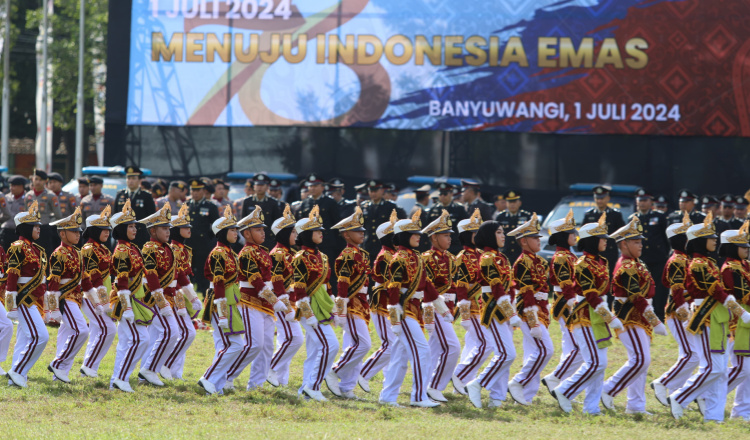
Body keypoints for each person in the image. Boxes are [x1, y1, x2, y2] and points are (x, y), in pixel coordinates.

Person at [668, 213, 750, 421]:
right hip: (705, 317)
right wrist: (742, 313)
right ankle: (679, 397)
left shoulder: (709, 263)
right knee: (712, 367)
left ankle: (714, 416)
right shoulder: (697, 264)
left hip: (718, 317)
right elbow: (716, 290)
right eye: (710, 237)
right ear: (699, 241)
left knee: (721, 372)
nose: (715, 240)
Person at [552, 213, 624, 415]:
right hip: (584, 316)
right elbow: (591, 295)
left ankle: (591, 406)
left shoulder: (602, 262)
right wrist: (611, 318)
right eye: (601, 239)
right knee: (595, 362)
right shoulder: (582, 264)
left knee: (601, 364)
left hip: (598, 316)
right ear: (592, 241)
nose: (605, 242)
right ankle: (564, 391)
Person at [600, 217, 667, 414]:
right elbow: (636, 297)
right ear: (623, 244)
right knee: (640, 359)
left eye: (640, 241)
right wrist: (656, 322)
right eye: (636, 242)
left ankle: (636, 406)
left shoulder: (635, 262)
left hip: (640, 316)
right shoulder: (627, 266)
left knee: (641, 363)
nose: (640, 245)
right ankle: (608, 389)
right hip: (630, 316)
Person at [380, 209, 439, 408]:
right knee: (423, 351)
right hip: (404, 311)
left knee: (399, 356)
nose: (418, 237)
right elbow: (393, 289)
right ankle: (419, 396)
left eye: (418, 234)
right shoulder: (399, 258)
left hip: (415, 309)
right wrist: (395, 319)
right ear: (404, 236)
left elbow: (427, 284)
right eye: (414, 234)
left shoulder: (417, 257)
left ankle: (388, 397)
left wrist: (442, 307)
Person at [225, 206, 288, 391]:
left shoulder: (262, 251)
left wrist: (275, 299)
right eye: (258, 230)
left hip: (265, 304)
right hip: (250, 300)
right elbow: (255, 279)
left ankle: (256, 384)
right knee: (254, 344)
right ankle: (227, 375)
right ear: (247, 233)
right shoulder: (246, 252)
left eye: (263, 229)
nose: (263, 233)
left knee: (267, 346)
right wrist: (275, 300)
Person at [465, 221, 520, 409]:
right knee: (507, 354)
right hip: (494, 309)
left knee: (503, 354)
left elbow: (508, 287)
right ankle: (477, 384)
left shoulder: (501, 257)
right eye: (498, 232)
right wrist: (510, 312)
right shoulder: (487, 257)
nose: (503, 235)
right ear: (489, 235)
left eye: (503, 232)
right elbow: (496, 287)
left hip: (504, 308)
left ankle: (497, 398)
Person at [292, 206, 340, 401]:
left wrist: (333, 308)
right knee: (331, 345)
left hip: (323, 307)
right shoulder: (300, 258)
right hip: (309, 308)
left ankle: (306, 388)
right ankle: (313, 386)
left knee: (314, 351)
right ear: (305, 234)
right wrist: (308, 313)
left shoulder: (324, 257)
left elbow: (327, 286)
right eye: (316, 231)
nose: (321, 233)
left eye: (321, 230)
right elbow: (299, 289)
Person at [507, 213, 554, 406]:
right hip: (528, 312)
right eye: (534, 238)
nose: (538, 241)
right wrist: (533, 321)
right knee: (546, 350)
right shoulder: (522, 262)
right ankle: (517, 382)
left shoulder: (540, 261)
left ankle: (527, 395)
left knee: (533, 353)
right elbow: (526, 294)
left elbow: (543, 289)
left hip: (541, 310)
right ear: (524, 241)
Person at [326, 206, 373, 399]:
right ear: (346, 235)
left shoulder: (363, 254)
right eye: (357, 231)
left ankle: (347, 387)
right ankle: (334, 371)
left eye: (362, 230)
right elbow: (343, 284)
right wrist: (342, 310)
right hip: (351, 304)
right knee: (363, 345)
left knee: (355, 346)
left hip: (362, 303)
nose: (362, 234)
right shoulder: (346, 255)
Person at [651, 213, 696, 406]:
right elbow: (676, 290)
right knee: (692, 355)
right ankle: (662, 383)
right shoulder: (678, 260)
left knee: (687, 354)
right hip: (678, 313)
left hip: (683, 312)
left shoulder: (683, 258)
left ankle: (678, 391)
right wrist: (686, 316)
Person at [108, 200, 154, 392]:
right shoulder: (121, 251)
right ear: (120, 229)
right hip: (127, 302)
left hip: (136, 300)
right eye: (130, 226)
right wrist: (127, 307)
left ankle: (117, 380)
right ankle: (120, 378)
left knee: (127, 342)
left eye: (135, 226)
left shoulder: (132, 248)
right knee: (140, 340)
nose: (134, 229)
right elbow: (123, 281)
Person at [198, 205, 244, 395]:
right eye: (232, 230)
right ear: (223, 233)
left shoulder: (230, 253)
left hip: (230, 300)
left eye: (235, 229)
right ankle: (208, 377)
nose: (236, 233)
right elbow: (218, 282)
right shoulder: (218, 253)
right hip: (221, 302)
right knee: (236, 345)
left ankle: (215, 384)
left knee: (226, 345)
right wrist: (223, 312)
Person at [4, 201, 49, 388]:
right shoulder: (17, 247)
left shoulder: (38, 249)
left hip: (35, 299)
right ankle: (17, 371)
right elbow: (12, 276)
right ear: (25, 228)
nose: (38, 228)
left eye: (38, 225)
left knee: (25, 338)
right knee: (41, 337)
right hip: (23, 299)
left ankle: (16, 374)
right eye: (34, 226)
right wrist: (11, 303)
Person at [420, 209, 461, 403]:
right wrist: (428, 314)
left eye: (450, 235)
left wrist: (455, 309)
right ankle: (435, 386)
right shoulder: (426, 258)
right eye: (445, 236)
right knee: (453, 347)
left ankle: (424, 385)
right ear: (434, 238)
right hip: (435, 307)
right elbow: (426, 288)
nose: (449, 239)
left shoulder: (451, 258)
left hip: (447, 308)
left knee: (434, 350)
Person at [137, 204, 179, 387]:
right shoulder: (149, 248)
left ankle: (147, 372)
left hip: (168, 295)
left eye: (168, 228)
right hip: (154, 297)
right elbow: (151, 274)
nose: (168, 231)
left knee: (164, 335)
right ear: (152, 230)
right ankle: (149, 369)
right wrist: (161, 301)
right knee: (171, 332)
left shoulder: (167, 247)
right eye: (163, 228)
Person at [541, 210, 583, 395]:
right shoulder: (561, 257)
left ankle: (563, 387)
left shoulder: (568, 255)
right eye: (571, 233)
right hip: (566, 304)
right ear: (563, 237)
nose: (575, 235)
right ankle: (555, 379)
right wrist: (573, 301)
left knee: (570, 346)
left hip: (568, 302)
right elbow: (566, 283)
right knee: (576, 346)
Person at [46, 206, 89, 383]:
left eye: (79, 231)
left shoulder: (77, 253)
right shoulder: (59, 253)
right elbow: (53, 282)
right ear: (63, 234)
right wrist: (54, 307)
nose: (78, 234)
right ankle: (58, 363)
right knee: (82, 331)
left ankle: (61, 372)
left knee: (67, 334)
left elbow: (85, 278)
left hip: (76, 298)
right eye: (73, 231)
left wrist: (95, 299)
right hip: (65, 299)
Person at [358, 210, 398, 394]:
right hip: (382, 303)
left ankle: (388, 380)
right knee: (390, 345)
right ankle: (362, 373)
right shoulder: (386, 256)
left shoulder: (394, 254)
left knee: (395, 345)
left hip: (390, 303)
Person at [161, 204, 202, 380]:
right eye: (184, 227)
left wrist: (192, 297)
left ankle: (175, 372)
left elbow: (183, 275)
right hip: (170, 295)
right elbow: (176, 277)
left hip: (179, 294)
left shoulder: (183, 249)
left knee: (182, 333)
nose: (188, 230)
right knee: (186, 333)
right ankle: (166, 366)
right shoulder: (174, 249)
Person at [267, 205, 304, 388]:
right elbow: (276, 280)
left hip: (291, 299)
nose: (296, 235)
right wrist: (284, 302)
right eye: (292, 232)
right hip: (280, 300)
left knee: (285, 339)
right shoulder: (277, 254)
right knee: (295, 338)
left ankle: (281, 381)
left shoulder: (291, 253)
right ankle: (271, 368)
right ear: (283, 233)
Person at [451, 209, 488, 393]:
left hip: (483, 304)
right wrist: (464, 314)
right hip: (472, 306)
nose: (478, 236)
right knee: (484, 343)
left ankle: (464, 381)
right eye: (474, 233)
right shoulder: (463, 257)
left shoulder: (482, 254)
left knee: (473, 344)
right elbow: (461, 286)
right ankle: (459, 375)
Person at [79, 206, 117, 378]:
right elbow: (93, 275)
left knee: (97, 330)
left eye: (108, 229)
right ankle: (88, 366)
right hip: (90, 295)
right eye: (103, 229)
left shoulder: (104, 249)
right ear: (93, 230)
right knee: (108, 329)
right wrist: (103, 301)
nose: (107, 233)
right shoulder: (88, 249)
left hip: (103, 295)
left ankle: (90, 367)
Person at [717, 222, 750, 421]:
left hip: (746, 322)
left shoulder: (744, 265)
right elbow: (744, 294)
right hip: (736, 324)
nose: (747, 249)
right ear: (731, 247)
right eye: (743, 246)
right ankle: (704, 393)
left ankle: (741, 412)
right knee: (742, 368)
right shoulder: (730, 269)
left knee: (748, 370)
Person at [630, 188, 669, 321]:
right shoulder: (633, 218)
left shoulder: (659, 216)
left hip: (658, 258)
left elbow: (666, 238)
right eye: (640, 200)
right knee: (641, 287)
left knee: (659, 289)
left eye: (645, 200)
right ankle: (643, 314)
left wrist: (666, 254)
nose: (642, 203)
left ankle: (659, 314)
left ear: (651, 201)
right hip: (642, 259)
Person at [185, 178, 220, 296]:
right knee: (186, 273)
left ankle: (206, 296)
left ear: (203, 191)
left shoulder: (210, 206)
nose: (195, 193)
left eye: (198, 190)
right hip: (188, 244)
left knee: (202, 273)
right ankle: (186, 297)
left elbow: (216, 227)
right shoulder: (186, 205)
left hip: (203, 246)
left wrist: (210, 242)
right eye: (193, 190)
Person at [582, 185, 625, 276]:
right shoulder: (589, 214)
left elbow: (622, 233)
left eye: (602, 198)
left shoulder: (615, 215)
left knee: (608, 279)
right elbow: (584, 234)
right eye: (597, 198)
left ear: (608, 198)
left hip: (609, 252)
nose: (599, 201)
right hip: (592, 254)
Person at [114, 167, 156, 247]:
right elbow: (115, 215)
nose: (131, 181)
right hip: (122, 236)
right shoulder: (120, 195)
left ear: (140, 180)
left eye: (133, 178)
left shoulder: (146, 196)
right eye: (128, 178)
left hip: (140, 235)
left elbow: (151, 217)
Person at [25, 169, 62, 258]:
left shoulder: (51, 195)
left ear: (45, 181)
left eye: (40, 180)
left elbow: (58, 215)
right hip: (30, 228)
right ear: (32, 179)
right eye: (36, 179)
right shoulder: (28, 195)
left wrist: (49, 224)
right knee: (30, 254)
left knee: (45, 254)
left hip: (44, 229)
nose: (38, 182)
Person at [362, 180, 404, 258]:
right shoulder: (365, 207)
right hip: (368, 247)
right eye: (371, 191)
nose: (373, 194)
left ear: (382, 190)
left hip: (385, 248)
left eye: (376, 191)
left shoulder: (390, 207)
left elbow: (398, 228)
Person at [242, 173, 283, 250]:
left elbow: (277, 223)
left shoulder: (272, 203)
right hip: (251, 239)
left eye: (262, 185)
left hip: (268, 240)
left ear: (267, 187)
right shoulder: (247, 201)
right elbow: (243, 222)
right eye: (257, 185)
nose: (259, 187)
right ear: (254, 186)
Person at [425, 182, 468, 255]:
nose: (442, 196)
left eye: (445, 194)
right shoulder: (433, 209)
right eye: (440, 194)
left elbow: (465, 228)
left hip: (454, 246)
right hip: (437, 247)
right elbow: (427, 227)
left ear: (451, 194)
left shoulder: (459, 208)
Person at [494, 190, 533, 265]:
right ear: (506, 203)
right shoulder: (501, 217)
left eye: (514, 202)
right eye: (510, 202)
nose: (512, 205)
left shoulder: (526, 216)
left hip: (521, 252)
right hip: (505, 252)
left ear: (520, 203)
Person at [2, 175, 28, 249]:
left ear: (21, 186)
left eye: (14, 186)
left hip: (20, 233)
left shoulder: (28, 198)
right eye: (10, 185)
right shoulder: (6, 197)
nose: (11, 188)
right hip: (6, 231)